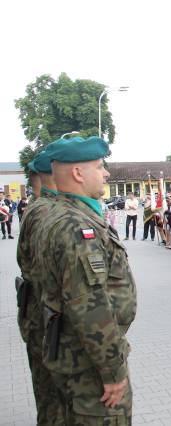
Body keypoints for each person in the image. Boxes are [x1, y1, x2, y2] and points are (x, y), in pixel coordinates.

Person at [36, 136, 136, 424]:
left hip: (76, 356)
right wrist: (112, 371)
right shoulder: (76, 226)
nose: (105, 173)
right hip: (89, 367)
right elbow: (89, 306)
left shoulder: (61, 214)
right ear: (79, 173)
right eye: (99, 166)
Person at [16, 152, 65, 424]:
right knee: (53, 401)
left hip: (37, 314)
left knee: (47, 398)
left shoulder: (36, 207)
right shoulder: (46, 210)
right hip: (44, 319)